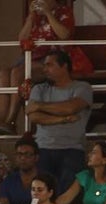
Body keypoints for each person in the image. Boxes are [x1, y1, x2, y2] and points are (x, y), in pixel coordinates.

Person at [25, 50, 91, 194]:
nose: (45, 69)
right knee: (42, 192)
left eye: (50, 65)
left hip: (72, 149)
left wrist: (40, 106)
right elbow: (34, 117)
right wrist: (63, 119)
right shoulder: (39, 89)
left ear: (64, 66)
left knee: (68, 193)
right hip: (43, 148)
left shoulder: (82, 87)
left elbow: (70, 107)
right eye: (44, 65)